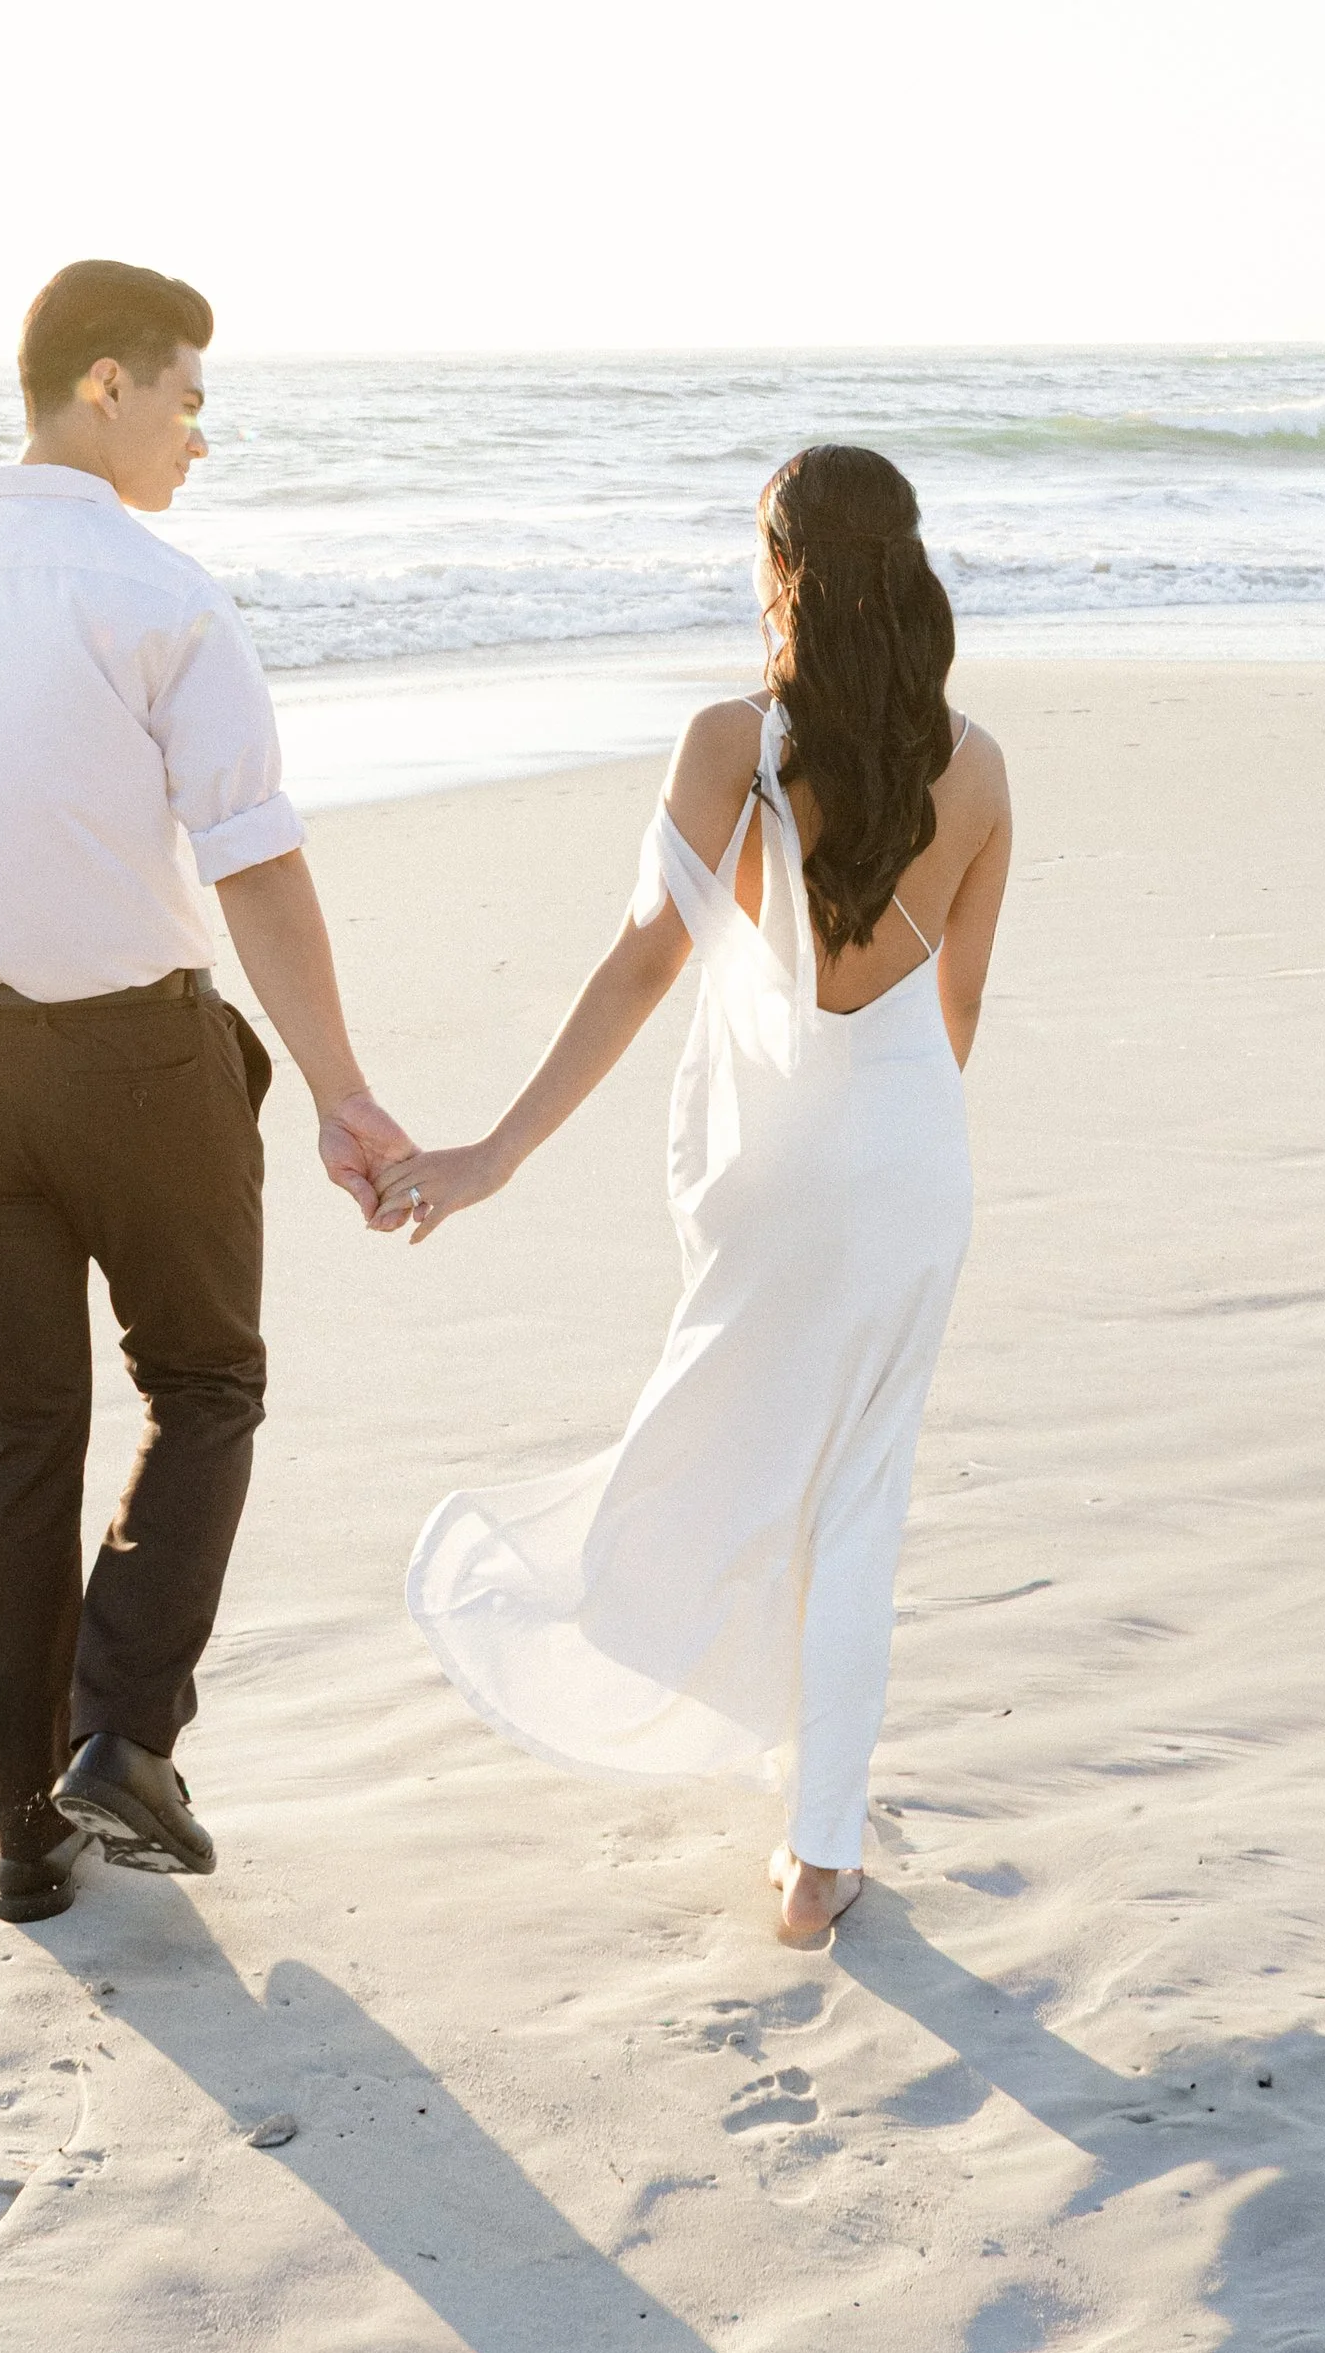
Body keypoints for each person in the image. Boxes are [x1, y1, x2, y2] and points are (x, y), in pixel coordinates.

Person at [0, 259, 412, 1925]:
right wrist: (348, 1095)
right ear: (103, 387)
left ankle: (29, 1841)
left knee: (15, 1450)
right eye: (189, 396)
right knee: (207, 1380)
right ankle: (124, 1736)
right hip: (138, 1057)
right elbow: (260, 862)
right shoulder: (157, 592)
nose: (200, 435)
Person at [386, 443, 1011, 1944]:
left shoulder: (733, 740)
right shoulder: (979, 762)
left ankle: (697, 1708)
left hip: (781, 1166)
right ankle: (819, 1859)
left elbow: (642, 963)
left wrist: (495, 1151)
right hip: (916, 1155)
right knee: (860, 1496)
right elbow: (962, 1013)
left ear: (782, 570)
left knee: (726, 1449)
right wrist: (890, 1162)